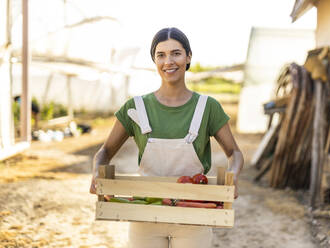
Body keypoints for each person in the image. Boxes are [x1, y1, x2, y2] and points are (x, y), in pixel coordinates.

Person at [90, 27, 244, 248]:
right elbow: (105, 152)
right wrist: (97, 170)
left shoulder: (207, 107)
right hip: (145, 211)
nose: (168, 61)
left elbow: (234, 153)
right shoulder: (136, 107)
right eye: (160, 55)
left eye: (176, 53)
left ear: (188, 56)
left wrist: (234, 174)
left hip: (195, 214)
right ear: (154, 60)